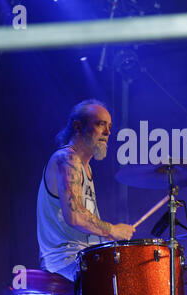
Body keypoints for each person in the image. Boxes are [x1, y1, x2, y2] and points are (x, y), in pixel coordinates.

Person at [36, 99, 136, 281]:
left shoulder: (86, 168)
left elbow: (83, 224)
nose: (108, 132)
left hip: (82, 257)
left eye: (110, 126)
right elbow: (74, 216)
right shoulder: (67, 159)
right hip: (64, 262)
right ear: (77, 126)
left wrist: (107, 240)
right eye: (100, 124)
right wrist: (112, 230)